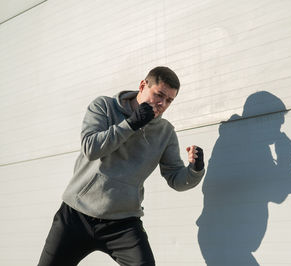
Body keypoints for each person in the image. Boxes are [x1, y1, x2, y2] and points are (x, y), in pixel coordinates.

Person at [38, 66, 205, 266]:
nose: (162, 104)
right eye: (159, 95)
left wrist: (195, 170)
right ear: (143, 86)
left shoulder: (165, 132)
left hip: (123, 223)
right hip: (76, 216)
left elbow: (176, 179)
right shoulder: (104, 106)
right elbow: (90, 148)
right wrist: (131, 124)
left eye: (169, 100)